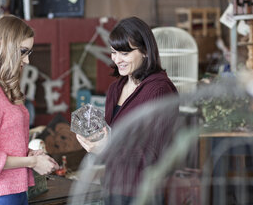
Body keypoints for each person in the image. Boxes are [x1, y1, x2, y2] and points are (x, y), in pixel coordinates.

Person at [76, 16, 178, 204]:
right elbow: (111, 135)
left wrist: (108, 148)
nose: (117, 60)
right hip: (112, 186)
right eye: (114, 52)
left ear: (146, 51)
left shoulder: (160, 90)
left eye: (125, 53)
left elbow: (154, 153)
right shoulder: (117, 88)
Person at [0, 15, 59, 205]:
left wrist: (29, 154)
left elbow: (3, 143)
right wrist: (32, 163)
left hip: (10, 191)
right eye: (23, 51)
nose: (27, 60)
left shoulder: (0, 88)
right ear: (1, 46)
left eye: (28, 52)